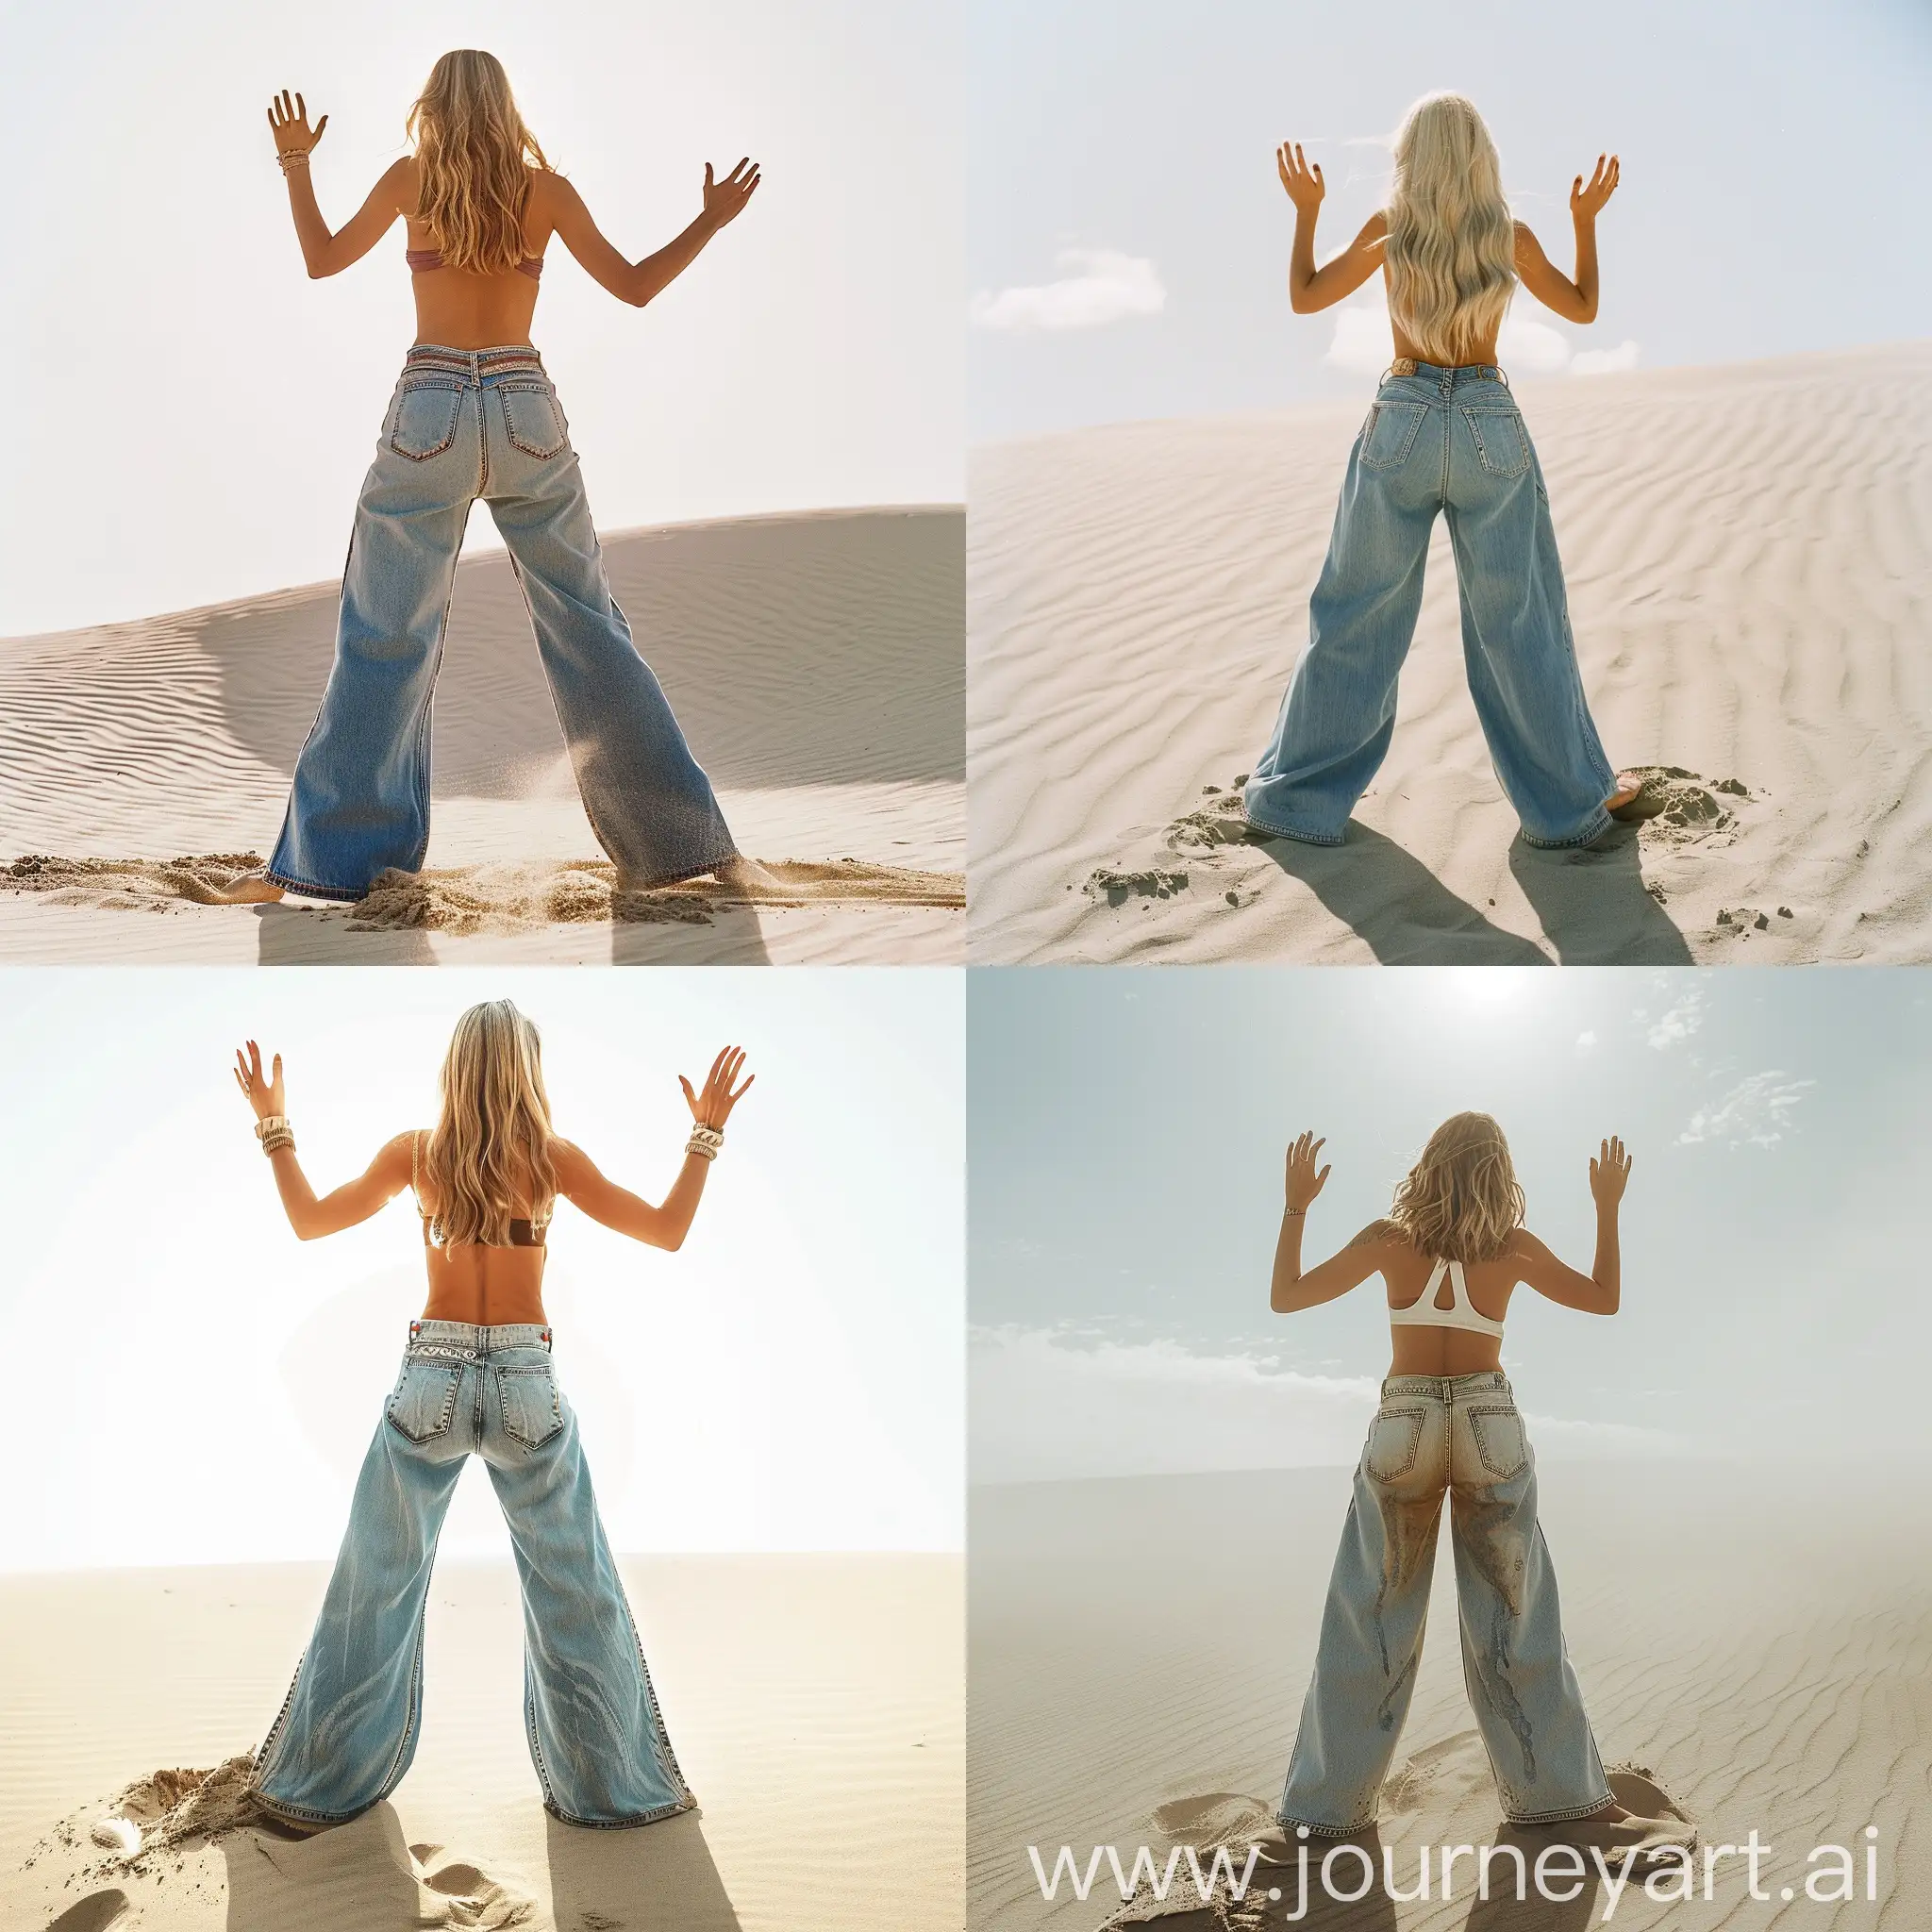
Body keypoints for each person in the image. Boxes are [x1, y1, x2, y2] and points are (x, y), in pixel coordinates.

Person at [220, 50, 777, 905]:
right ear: (506, 107)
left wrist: (296, 163)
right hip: (526, 409)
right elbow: (632, 287)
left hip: (429, 409)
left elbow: (323, 259)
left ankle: (338, 869)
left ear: (431, 107)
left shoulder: (412, 179)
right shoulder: (544, 191)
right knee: (591, 630)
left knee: (385, 637)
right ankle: (686, 846)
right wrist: (710, 220)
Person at [230, 999, 753, 1830]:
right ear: (527, 1071)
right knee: (576, 1595)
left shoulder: (418, 1154)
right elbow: (667, 1230)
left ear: (455, 1068)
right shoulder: (551, 1159)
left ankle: (314, 1785)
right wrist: (705, 1135)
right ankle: (612, 1795)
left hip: (429, 1379)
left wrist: (274, 1127)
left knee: (376, 1586)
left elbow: (308, 1221)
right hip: (525, 1384)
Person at [1242, 92, 1662, 851]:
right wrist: (1585, 223)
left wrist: (1305, 211)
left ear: (1410, 158)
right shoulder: (1509, 237)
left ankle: (1294, 803)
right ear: (1481, 159)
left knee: (1354, 616)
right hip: (1486, 423)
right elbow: (1584, 308)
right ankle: (1570, 808)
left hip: (1402, 414)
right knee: (1521, 625)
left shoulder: (1389, 231)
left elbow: (1306, 298)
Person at [1265, 1113, 1691, 1858]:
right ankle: (1554, 1799)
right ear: (1500, 1172)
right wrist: (1608, 1208)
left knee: (1370, 1615)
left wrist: (1297, 1204)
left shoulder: (1387, 1241)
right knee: (1513, 1614)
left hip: (1407, 1417)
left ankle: (1327, 1811)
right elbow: (1603, 1298)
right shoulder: (1513, 1249)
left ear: (1428, 1165)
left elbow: (1287, 1296)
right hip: (1487, 1417)